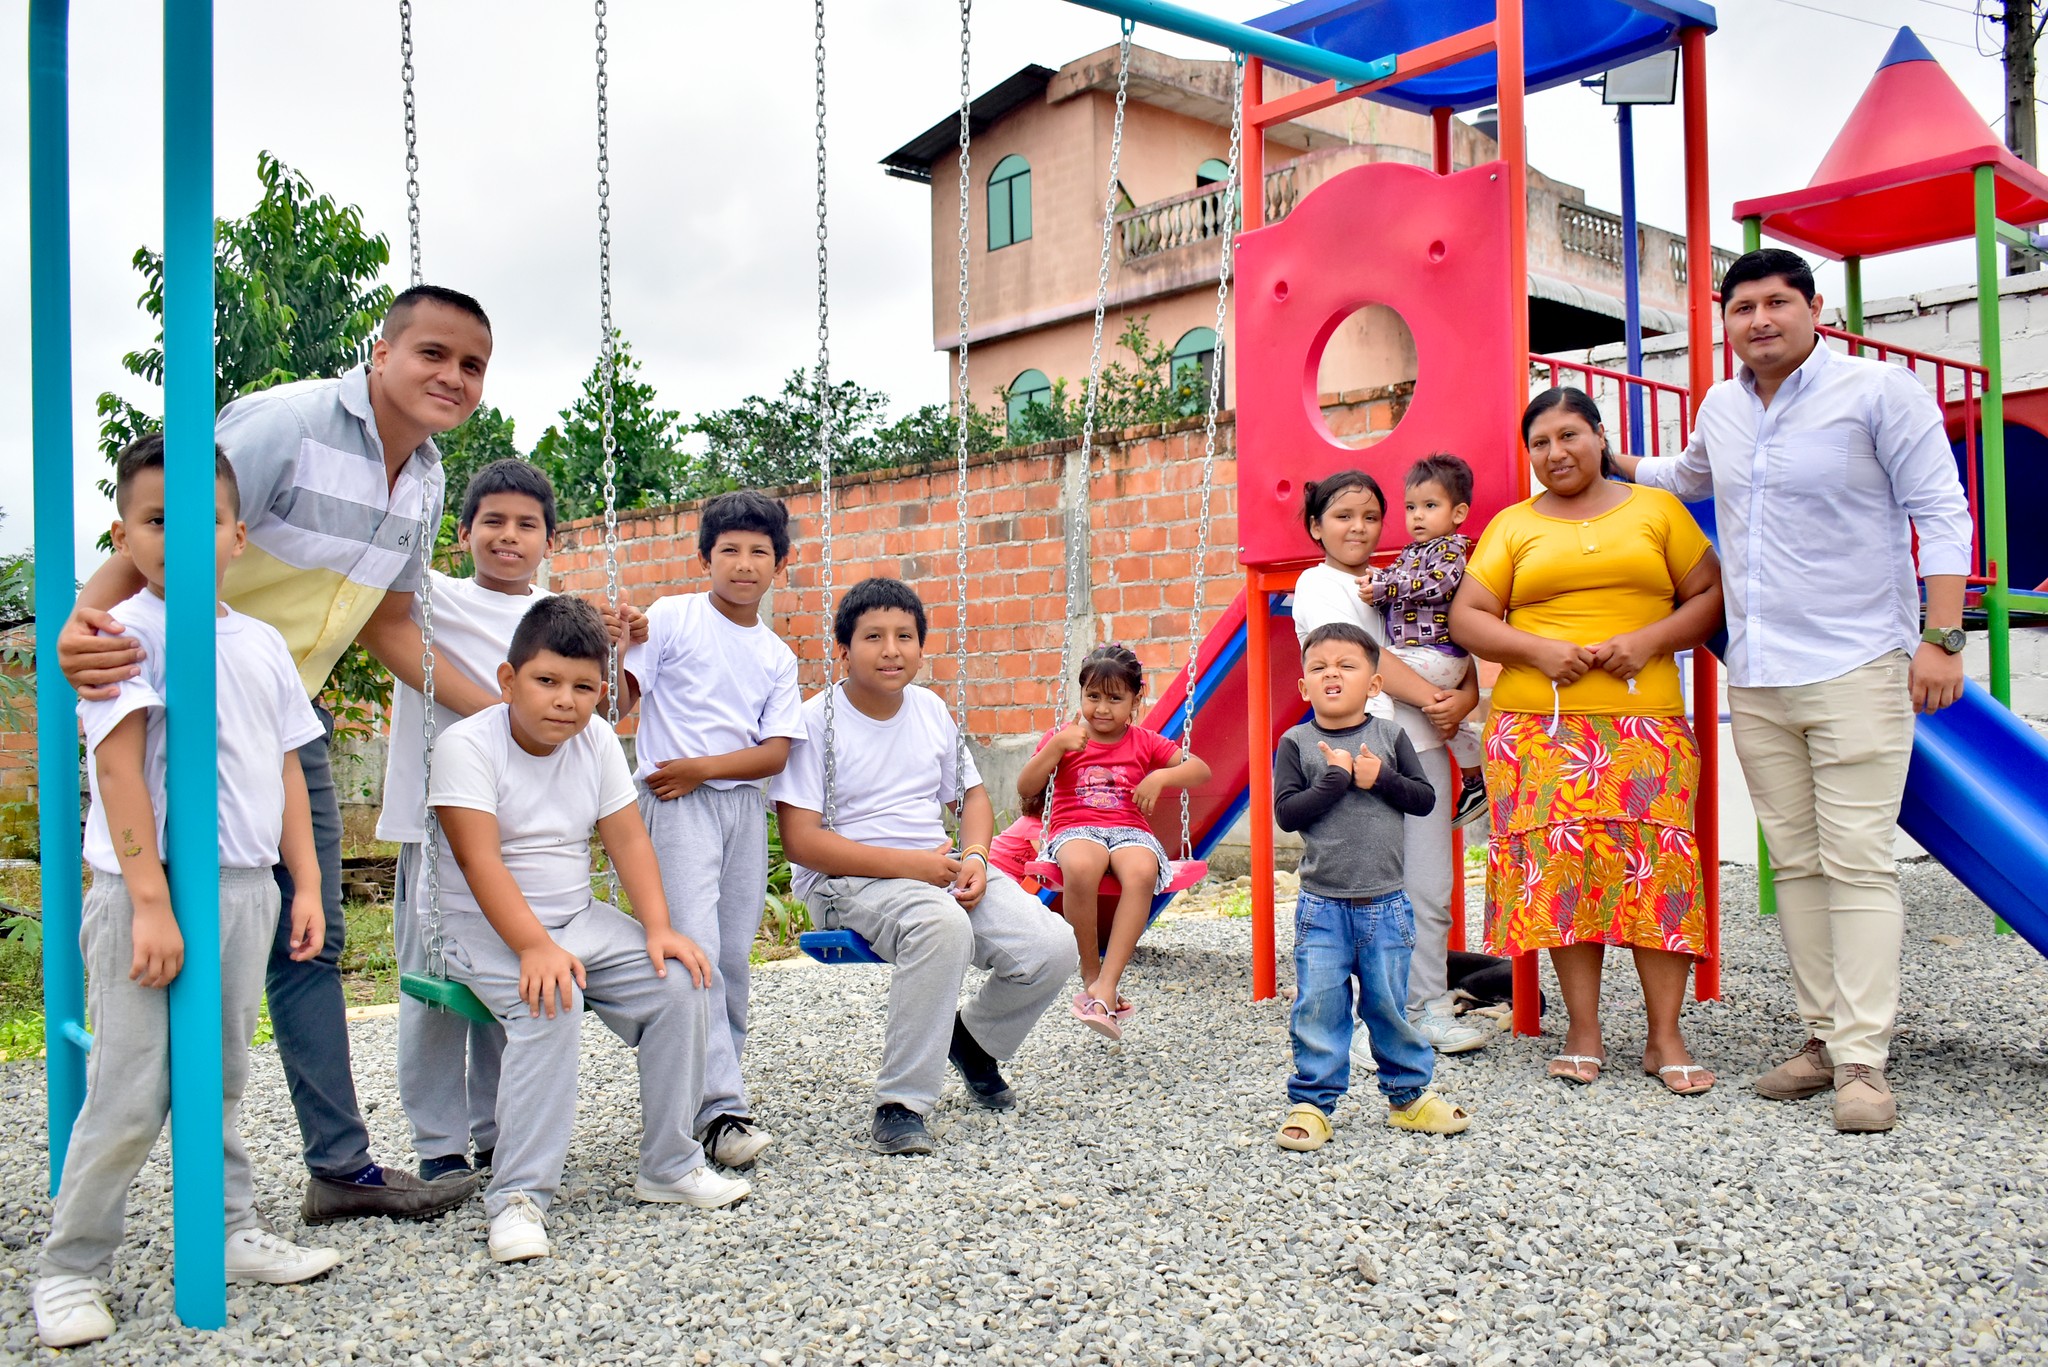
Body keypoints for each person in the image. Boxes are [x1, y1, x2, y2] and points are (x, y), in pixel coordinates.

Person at [55, 285, 502, 1222]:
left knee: (311, 931)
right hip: (177, 707)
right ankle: (104, 1199)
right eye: (432, 353)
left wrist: (508, 715)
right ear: (380, 352)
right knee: (152, 922)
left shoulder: (424, 478)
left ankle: (339, 1168)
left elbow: (390, 621)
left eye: (472, 366)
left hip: (284, 714)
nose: (452, 377)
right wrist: (82, 624)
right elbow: (166, 522)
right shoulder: (284, 427)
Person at [1614, 248, 1974, 1133]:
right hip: (1760, 673)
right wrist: (1607, 456)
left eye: (1778, 302)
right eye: (1742, 308)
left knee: (1857, 859)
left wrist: (1942, 637)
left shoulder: (1877, 392)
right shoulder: (1724, 406)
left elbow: (1941, 510)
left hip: (1858, 662)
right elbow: (1688, 475)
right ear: (1725, 322)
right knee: (1798, 861)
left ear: (1814, 309)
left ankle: (1864, 1061)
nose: (1760, 320)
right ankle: (1823, 1038)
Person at [32, 439, 340, 1349]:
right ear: (123, 536)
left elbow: (286, 769)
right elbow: (119, 772)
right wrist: (150, 901)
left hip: (245, 888)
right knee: (129, 1092)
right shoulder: (122, 636)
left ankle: (229, 1226)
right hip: (149, 891)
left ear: (238, 536)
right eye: (158, 520)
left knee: (223, 1075)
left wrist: (306, 881)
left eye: (203, 519)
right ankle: (71, 1265)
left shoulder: (264, 643)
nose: (180, 536)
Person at [430, 595, 748, 1264]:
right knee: (551, 999)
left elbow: (627, 838)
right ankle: (519, 1197)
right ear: (508, 680)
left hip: (577, 917)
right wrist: (534, 946)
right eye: (546, 681)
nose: (565, 701)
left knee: (683, 981)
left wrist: (658, 928)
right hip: (482, 925)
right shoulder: (466, 745)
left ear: (601, 692)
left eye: (583, 687)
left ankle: (670, 1163)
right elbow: (479, 860)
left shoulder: (597, 739)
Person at [1450, 387, 1726, 1094]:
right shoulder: (1513, 525)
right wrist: (1537, 651)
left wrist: (1650, 640)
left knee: (1657, 875)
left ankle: (1666, 1035)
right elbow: (1468, 617)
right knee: (1565, 877)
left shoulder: (1656, 510)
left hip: (1646, 726)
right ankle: (1583, 1029)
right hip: (1538, 732)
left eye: (1569, 435)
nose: (1555, 453)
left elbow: (1709, 594)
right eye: (1540, 443)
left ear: (1601, 437)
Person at [772, 578, 1079, 1156]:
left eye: (905, 637)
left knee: (1053, 946)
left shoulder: (930, 709)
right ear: (843, 650)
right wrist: (911, 867)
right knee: (942, 926)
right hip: (847, 880)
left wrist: (977, 856)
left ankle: (974, 1040)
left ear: (920, 648)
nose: (891, 650)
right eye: (873, 637)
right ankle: (902, 1102)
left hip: (935, 869)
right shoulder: (815, 722)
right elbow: (801, 842)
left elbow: (973, 798)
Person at [376, 458, 562, 1185]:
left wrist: (628, 635)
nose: (509, 536)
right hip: (434, 829)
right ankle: (439, 1143)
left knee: (511, 980)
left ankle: (496, 1130)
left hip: (519, 834)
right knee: (431, 988)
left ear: (550, 540)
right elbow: (377, 621)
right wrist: (499, 716)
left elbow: (596, 700)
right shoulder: (430, 597)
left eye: (526, 525)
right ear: (461, 533)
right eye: (493, 521)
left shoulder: (558, 614)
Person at [620, 490, 804, 1171]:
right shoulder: (672, 617)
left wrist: (706, 767)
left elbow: (775, 753)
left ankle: (706, 1101)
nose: (744, 563)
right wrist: (618, 646)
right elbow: (621, 699)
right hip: (676, 805)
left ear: (780, 564)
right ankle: (721, 1109)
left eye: (759, 551)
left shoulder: (776, 655)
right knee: (691, 950)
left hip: (739, 808)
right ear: (705, 558)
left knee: (728, 957)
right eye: (729, 550)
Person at [1290, 471, 1493, 1056]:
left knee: (1428, 885)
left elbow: (1451, 644)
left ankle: (1425, 1005)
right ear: (1316, 527)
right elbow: (1364, 657)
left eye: (1371, 517)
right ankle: (1370, 1018)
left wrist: (1463, 698)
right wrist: (1437, 700)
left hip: (1423, 745)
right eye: (1343, 516)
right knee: (1364, 886)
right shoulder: (1317, 584)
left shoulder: (1400, 579)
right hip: (1360, 748)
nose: (1359, 527)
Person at [1272, 621, 1471, 1150]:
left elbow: (1423, 799)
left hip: (1386, 902)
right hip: (1321, 905)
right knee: (1318, 1005)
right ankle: (1313, 1103)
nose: (1331, 674)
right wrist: (1336, 780)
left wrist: (1379, 778)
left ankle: (1408, 1097)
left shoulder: (1390, 737)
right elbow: (1288, 814)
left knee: (1388, 1004)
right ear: (1304, 686)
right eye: (1319, 667)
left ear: (1375, 684)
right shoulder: (1295, 742)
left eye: (1346, 665)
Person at [1015, 644, 1211, 1040]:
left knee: (1142, 871)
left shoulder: (1144, 741)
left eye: (1115, 699)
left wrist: (1160, 777)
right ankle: (1090, 972)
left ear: (1136, 701)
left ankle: (1108, 984)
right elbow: (1025, 786)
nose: (1102, 709)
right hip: (1075, 827)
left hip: (1129, 830)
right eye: (1092, 697)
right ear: (1081, 694)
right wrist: (1056, 747)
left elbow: (1201, 770)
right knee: (1081, 865)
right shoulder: (1064, 738)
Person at [1366, 453, 1486, 822]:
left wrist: (1386, 586)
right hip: (1436, 660)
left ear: (1458, 513)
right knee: (1448, 719)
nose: (1417, 516)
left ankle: (1380, 746)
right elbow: (1395, 581)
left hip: (1436, 652)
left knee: (1372, 676)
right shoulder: (1411, 553)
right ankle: (1475, 781)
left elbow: (1437, 585)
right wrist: (1377, 582)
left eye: (1430, 506)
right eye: (1411, 507)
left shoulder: (1450, 548)